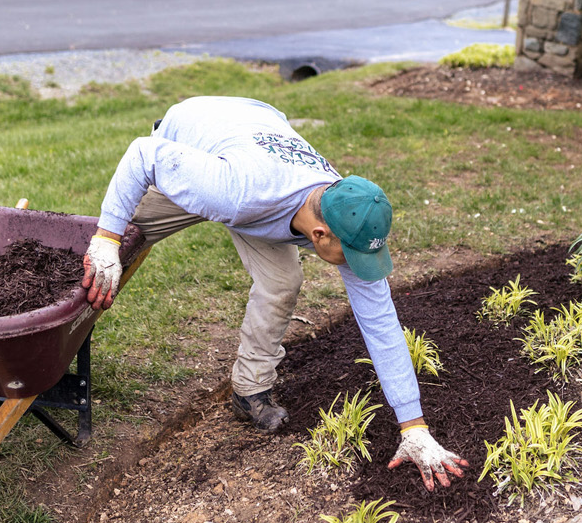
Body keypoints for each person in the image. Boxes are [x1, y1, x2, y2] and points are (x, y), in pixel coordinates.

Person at [81, 95, 468, 490]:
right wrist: (107, 238)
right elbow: (144, 154)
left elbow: (381, 322)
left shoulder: (343, 210)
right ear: (319, 235)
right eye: (349, 255)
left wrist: (413, 425)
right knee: (104, 254)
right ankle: (45, 343)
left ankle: (249, 390)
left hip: (257, 135)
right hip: (199, 141)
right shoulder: (236, 190)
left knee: (282, 281)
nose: (354, 264)